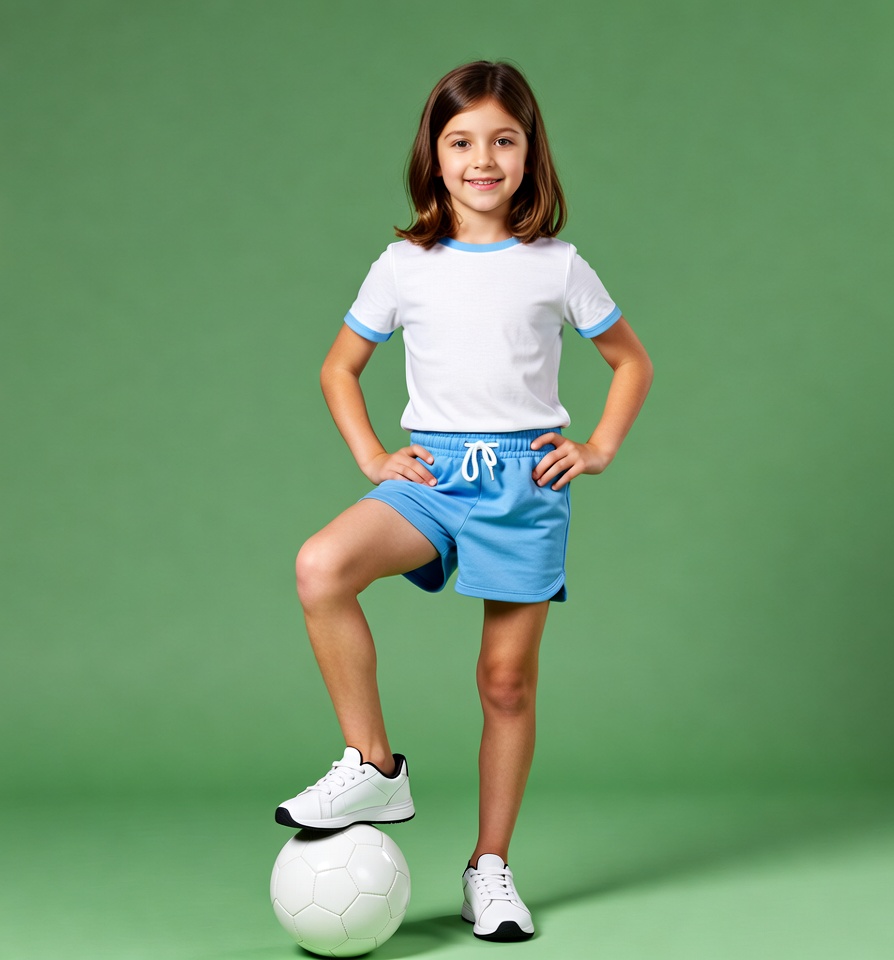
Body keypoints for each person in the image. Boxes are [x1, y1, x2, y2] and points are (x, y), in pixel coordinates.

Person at [276, 60, 653, 942]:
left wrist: (597, 447)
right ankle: (374, 765)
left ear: (530, 154)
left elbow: (630, 361)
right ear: (434, 156)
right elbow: (339, 368)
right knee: (321, 567)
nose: (483, 160)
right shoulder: (404, 266)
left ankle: (490, 867)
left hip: (525, 484)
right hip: (435, 480)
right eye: (461, 142)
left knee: (505, 683)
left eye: (503, 141)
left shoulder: (557, 266)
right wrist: (374, 454)